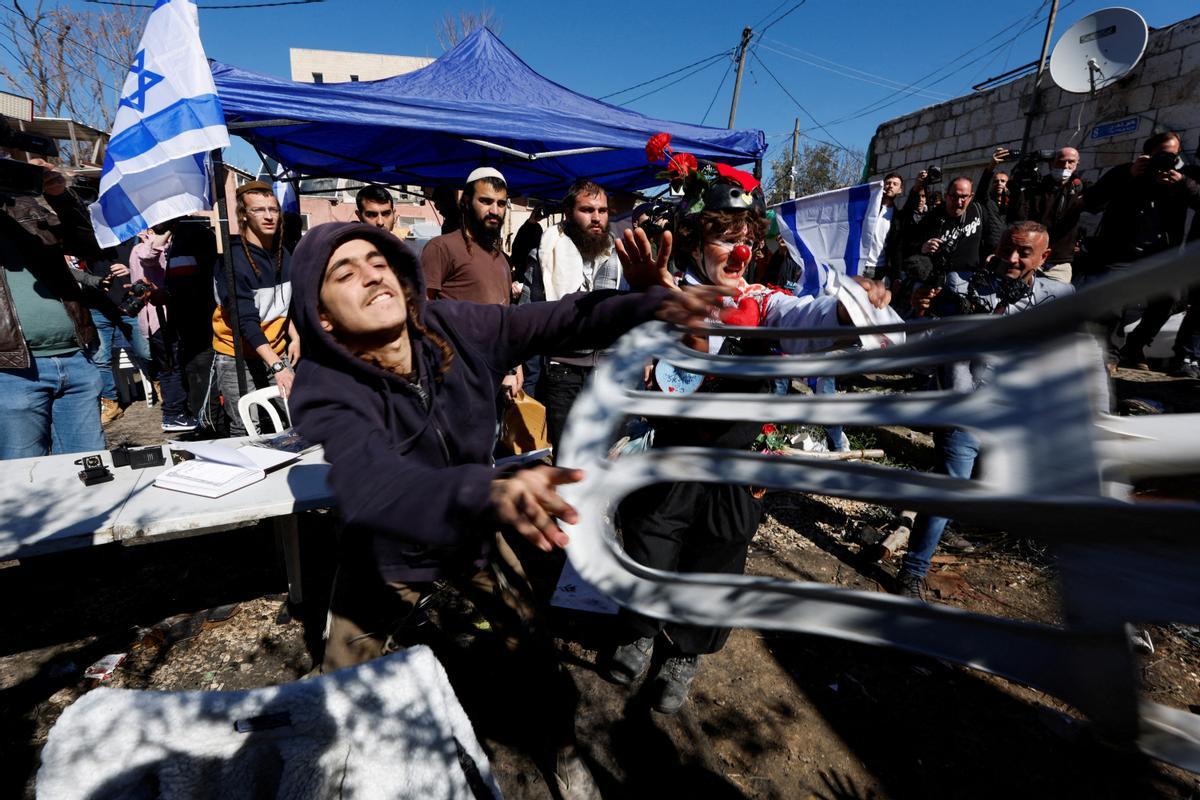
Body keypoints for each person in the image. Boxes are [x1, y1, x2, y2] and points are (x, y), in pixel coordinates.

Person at [286, 220, 721, 800]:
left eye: (377, 262)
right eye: (344, 273)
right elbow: (375, 488)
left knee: (534, 660)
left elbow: (555, 319)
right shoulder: (322, 383)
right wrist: (487, 490)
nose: (369, 275)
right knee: (338, 693)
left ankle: (562, 752)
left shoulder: (451, 327)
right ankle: (328, 777)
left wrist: (642, 302)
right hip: (385, 554)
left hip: (473, 541)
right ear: (323, 315)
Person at [605, 159, 896, 714]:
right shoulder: (661, 290)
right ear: (694, 241)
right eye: (724, 237)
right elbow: (660, 358)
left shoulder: (763, 300)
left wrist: (843, 306)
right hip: (670, 458)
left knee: (719, 553)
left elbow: (805, 317)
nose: (740, 251)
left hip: (738, 463)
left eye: (747, 239)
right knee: (650, 541)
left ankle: (684, 653)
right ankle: (638, 632)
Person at [894, 221, 1074, 599]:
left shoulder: (1058, 296)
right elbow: (918, 346)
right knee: (948, 488)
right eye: (1008, 248)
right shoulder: (961, 284)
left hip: (1017, 416)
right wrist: (919, 311)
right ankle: (911, 571)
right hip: (965, 412)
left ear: (1044, 258)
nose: (1012, 258)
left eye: (1024, 252)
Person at [0, 158, 105, 459]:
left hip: (75, 360)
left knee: (89, 472)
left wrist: (59, 195)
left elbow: (91, 245)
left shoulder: (27, 207)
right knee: (24, 480)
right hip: (11, 371)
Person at [1084, 131, 1200, 371]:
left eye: (1174, 155)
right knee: (1113, 302)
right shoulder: (1125, 172)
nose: (1168, 161)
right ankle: (1110, 354)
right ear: (1149, 153)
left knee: (1170, 299)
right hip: (1121, 252)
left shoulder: (1182, 179)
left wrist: (1183, 184)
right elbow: (1092, 202)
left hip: (1159, 255)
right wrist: (1128, 175)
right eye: (1164, 155)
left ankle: (1136, 346)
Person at [526, 179, 624, 446]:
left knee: (607, 456)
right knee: (568, 459)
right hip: (562, 372)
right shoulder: (546, 254)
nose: (596, 218)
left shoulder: (621, 255)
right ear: (568, 212)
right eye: (587, 210)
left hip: (609, 373)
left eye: (602, 211)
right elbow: (530, 316)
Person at [210, 180, 299, 437]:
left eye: (273, 209)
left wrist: (295, 336)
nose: (269, 216)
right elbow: (245, 320)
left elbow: (281, 305)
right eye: (259, 210)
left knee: (296, 416)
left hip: (275, 351)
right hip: (235, 355)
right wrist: (278, 367)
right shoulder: (232, 259)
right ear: (244, 215)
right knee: (248, 428)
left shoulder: (284, 254)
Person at [130, 219, 217, 432]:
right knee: (172, 367)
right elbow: (148, 256)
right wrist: (167, 232)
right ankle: (174, 413)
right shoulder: (145, 247)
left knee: (176, 366)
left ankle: (181, 412)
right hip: (160, 318)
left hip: (172, 317)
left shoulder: (178, 242)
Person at [420, 167, 512, 305]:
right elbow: (421, 309)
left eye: (501, 203)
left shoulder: (501, 258)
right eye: (485, 201)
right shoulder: (441, 248)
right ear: (467, 202)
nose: (495, 211)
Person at [999, 145, 1085, 284]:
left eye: (1071, 162)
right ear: (1051, 163)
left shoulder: (1080, 188)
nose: (1065, 166)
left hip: (1058, 263)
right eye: (1061, 161)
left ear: (1077, 164)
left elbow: (1096, 203)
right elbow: (1019, 217)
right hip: (1030, 259)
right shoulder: (1038, 188)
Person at [908, 176, 985, 275]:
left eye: (964, 197)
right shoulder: (932, 217)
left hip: (970, 277)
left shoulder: (978, 210)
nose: (959, 202)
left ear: (971, 197)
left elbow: (991, 239)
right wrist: (923, 247)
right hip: (940, 280)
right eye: (954, 196)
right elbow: (909, 246)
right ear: (946, 196)